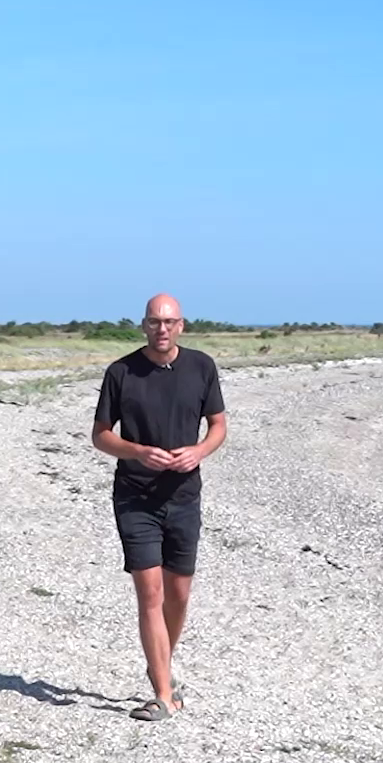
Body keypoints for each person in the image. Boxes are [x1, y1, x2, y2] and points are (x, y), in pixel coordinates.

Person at [91, 293, 227, 721]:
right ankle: (163, 694)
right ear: (144, 325)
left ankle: (162, 669)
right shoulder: (121, 372)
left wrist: (200, 451)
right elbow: (100, 436)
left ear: (182, 326)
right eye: (154, 322)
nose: (162, 329)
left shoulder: (202, 367)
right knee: (149, 593)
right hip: (135, 496)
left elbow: (219, 425)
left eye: (169, 322)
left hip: (184, 496)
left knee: (179, 595)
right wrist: (136, 451)